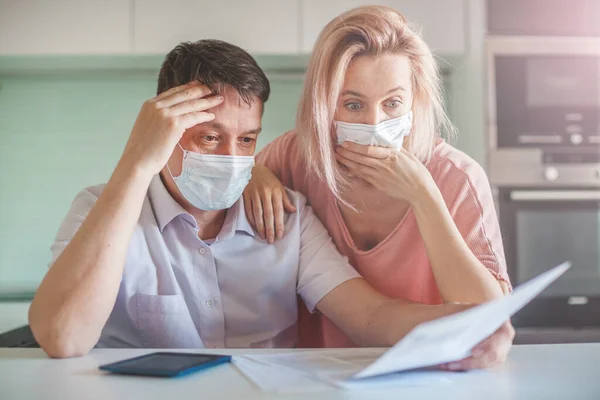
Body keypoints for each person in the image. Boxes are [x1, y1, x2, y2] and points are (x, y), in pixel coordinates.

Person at [28, 39, 480, 359]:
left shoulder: (289, 218)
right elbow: (64, 338)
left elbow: (371, 316)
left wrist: (463, 330)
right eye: (209, 137)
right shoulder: (99, 209)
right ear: (163, 130)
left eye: (246, 140)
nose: (230, 157)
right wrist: (136, 164)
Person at [243, 5, 514, 370]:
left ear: (415, 100)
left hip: (436, 374)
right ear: (322, 105)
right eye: (353, 104)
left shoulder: (457, 177)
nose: (374, 123)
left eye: (392, 103)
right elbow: (236, 173)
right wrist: (252, 173)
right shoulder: (292, 159)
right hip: (320, 374)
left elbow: (488, 320)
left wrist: (424, 195)